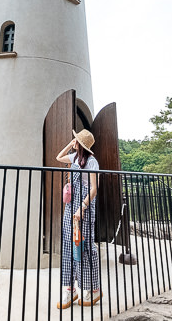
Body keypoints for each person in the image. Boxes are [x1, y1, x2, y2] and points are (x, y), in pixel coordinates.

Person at [55, 129, 102, 309]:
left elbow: (94, 188)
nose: (74, 142)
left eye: (76, 140)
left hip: (84, 207)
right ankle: (70, 288)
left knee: (84, 246)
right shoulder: (75, 158)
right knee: (69, 244)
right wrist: (72, 143)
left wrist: (81, 208)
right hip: (70, 206)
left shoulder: (91, 162)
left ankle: (93, 288)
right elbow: (59, 157)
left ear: (81, 144)